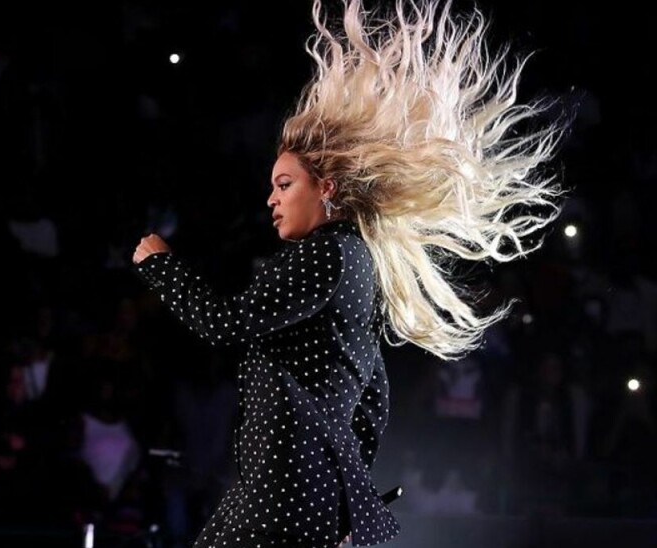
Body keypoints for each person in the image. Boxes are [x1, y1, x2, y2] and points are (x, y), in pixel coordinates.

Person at [132, 0, 567, 546]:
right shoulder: (358, 261)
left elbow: (225, 324)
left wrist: (162, 267)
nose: (270, 199)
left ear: (328, 187)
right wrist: (341, 498)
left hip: (281, 494)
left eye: (285, 184)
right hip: (302, 495)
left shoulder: (325, 255)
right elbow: (373, 396)